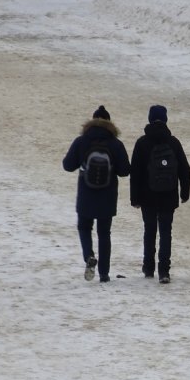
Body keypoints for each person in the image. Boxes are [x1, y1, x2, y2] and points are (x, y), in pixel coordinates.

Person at [62, 106, 130, 283]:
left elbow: (68, 165)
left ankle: (88, 256)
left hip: (86, 193)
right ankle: (104, 273)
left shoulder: (82, 141)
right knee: (104, 233)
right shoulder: (115, 143)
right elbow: (124, 171)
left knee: (84, 227)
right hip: (107, 195)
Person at [130, 105, 190, 284]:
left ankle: (148, 267)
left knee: (149, 231)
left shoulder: (142, 143)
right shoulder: (173, 142)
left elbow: (136, 172)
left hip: (147, 196)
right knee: (166, 232)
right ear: (165, 120)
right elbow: (185, 169)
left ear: (150, 119)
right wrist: (184, 193)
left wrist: (135, 198)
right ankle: (164, 270)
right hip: (168, 195)